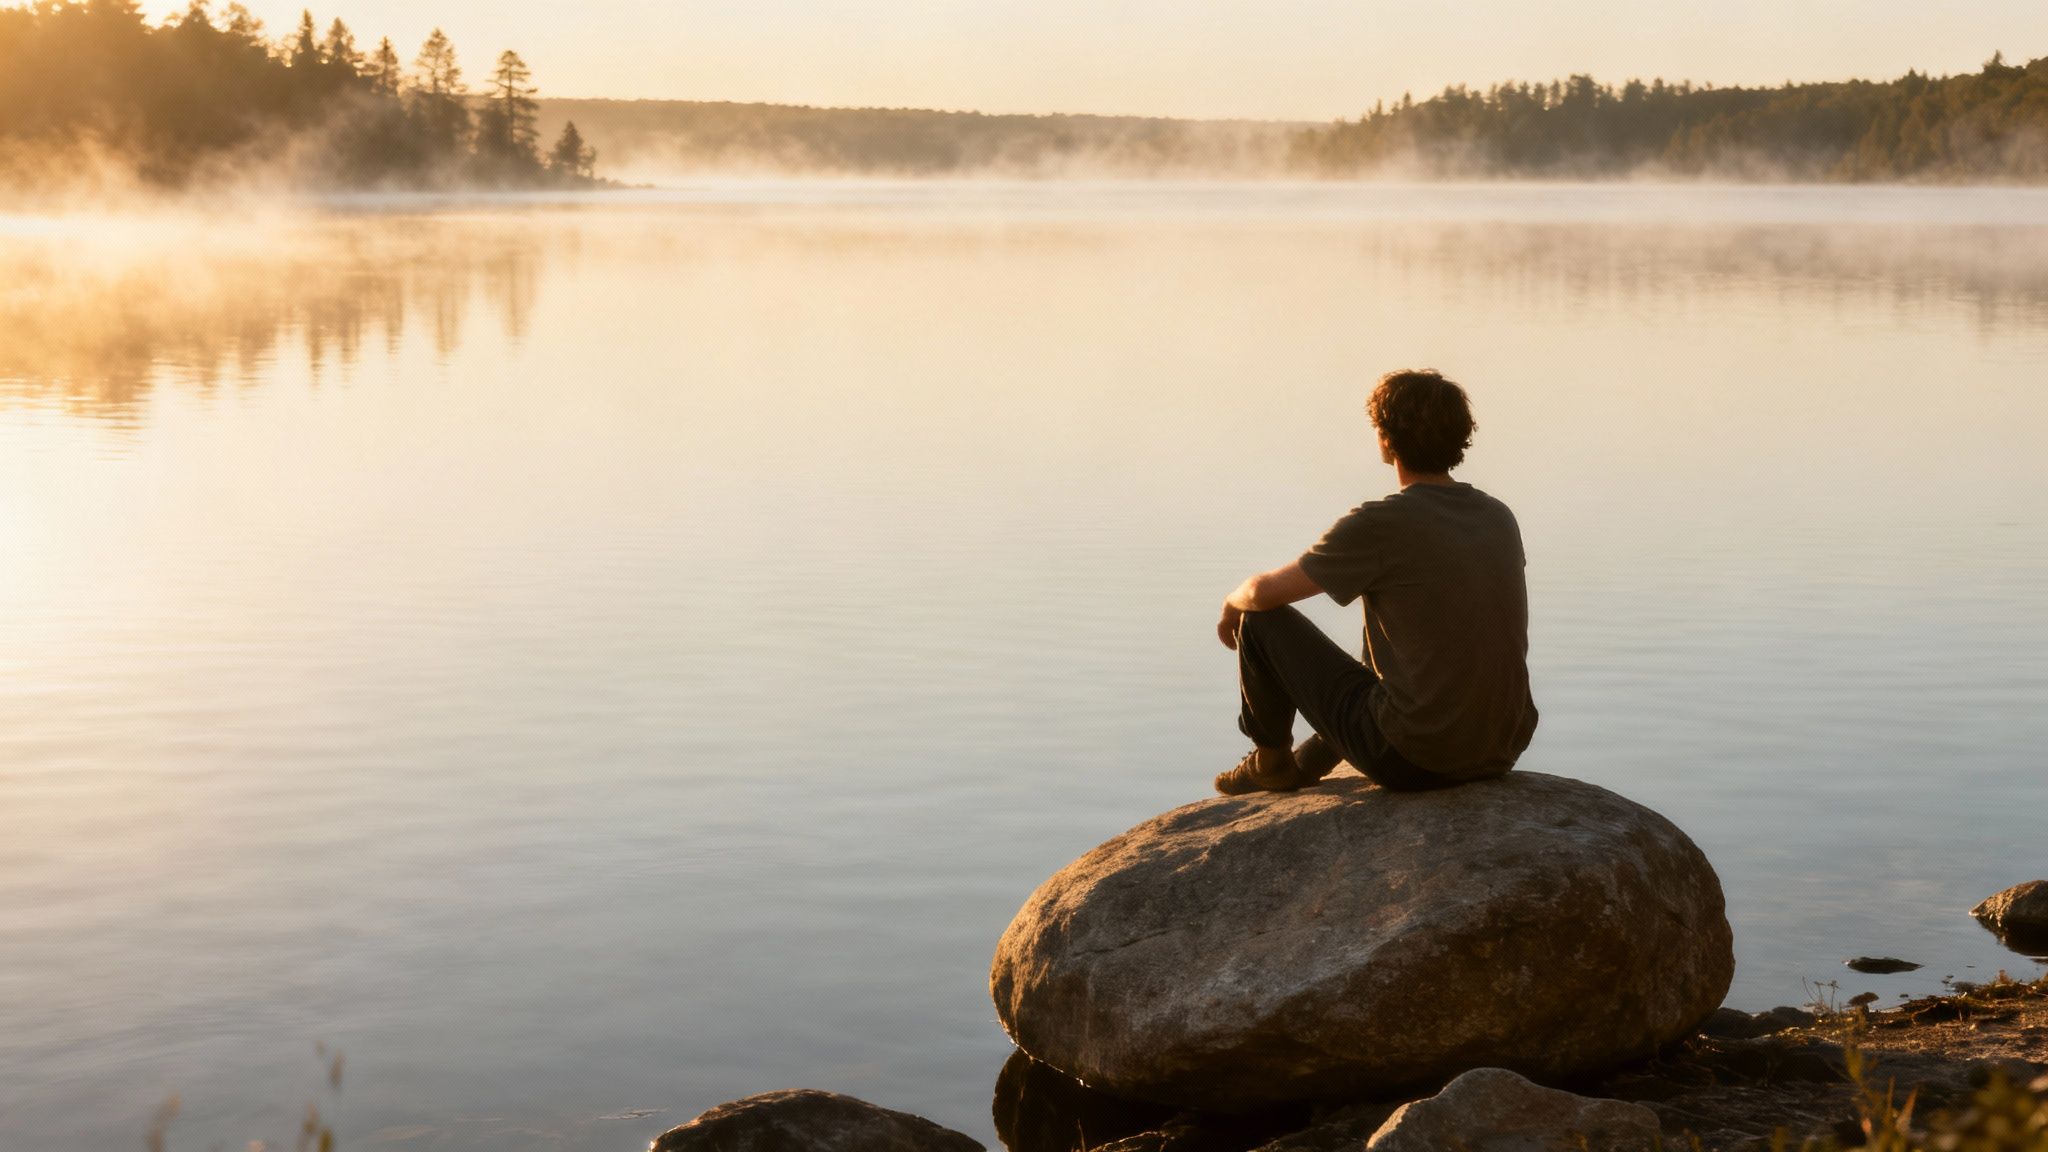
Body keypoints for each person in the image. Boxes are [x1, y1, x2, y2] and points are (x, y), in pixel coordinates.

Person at [1213, 369, 1537, 795]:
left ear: (1386, 439)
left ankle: (1270, 762)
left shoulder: (1380, 524)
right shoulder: (1498, 517)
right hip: (1500, 749)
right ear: (1461, 437)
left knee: (1261, 622)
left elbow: (1262, 595)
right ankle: (1307, 762)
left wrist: (1232, 606)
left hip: (1416, 760)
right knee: (1390, 649)